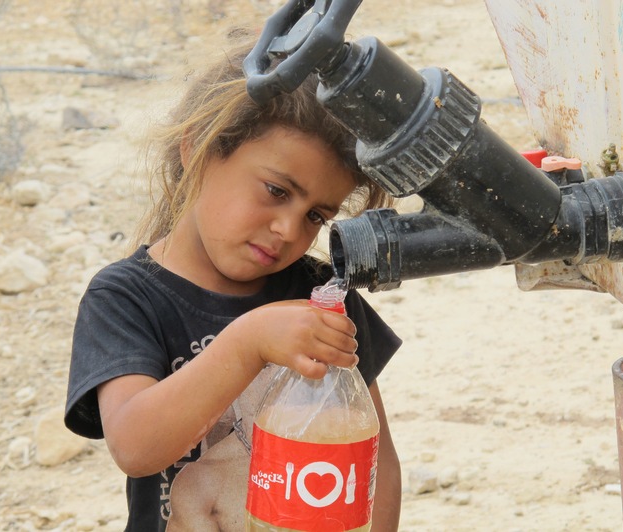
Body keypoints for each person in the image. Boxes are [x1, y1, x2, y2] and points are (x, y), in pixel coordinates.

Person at [64, 33, 402, 532]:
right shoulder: (125, 298)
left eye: (315, 215)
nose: (289, 230)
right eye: (275, 190)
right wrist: (248, 344)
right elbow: (136, 447)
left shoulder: (322, 295)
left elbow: (373, 465)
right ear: (197, 149)